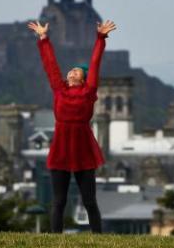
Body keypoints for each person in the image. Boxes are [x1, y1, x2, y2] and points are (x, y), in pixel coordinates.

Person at [28, 19, 116, 233]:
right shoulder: (59, 89)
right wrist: (43, 38)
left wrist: (100, 38)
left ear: (84, 79)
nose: (72, 72)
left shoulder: (89, 92)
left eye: (77, 71)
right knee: (59, 201)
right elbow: (50, 65)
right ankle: (55, 239)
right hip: (61, 147)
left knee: (89, 201)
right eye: (71, 70)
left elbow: (95, 64)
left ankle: (98, 238)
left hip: (83, 147)